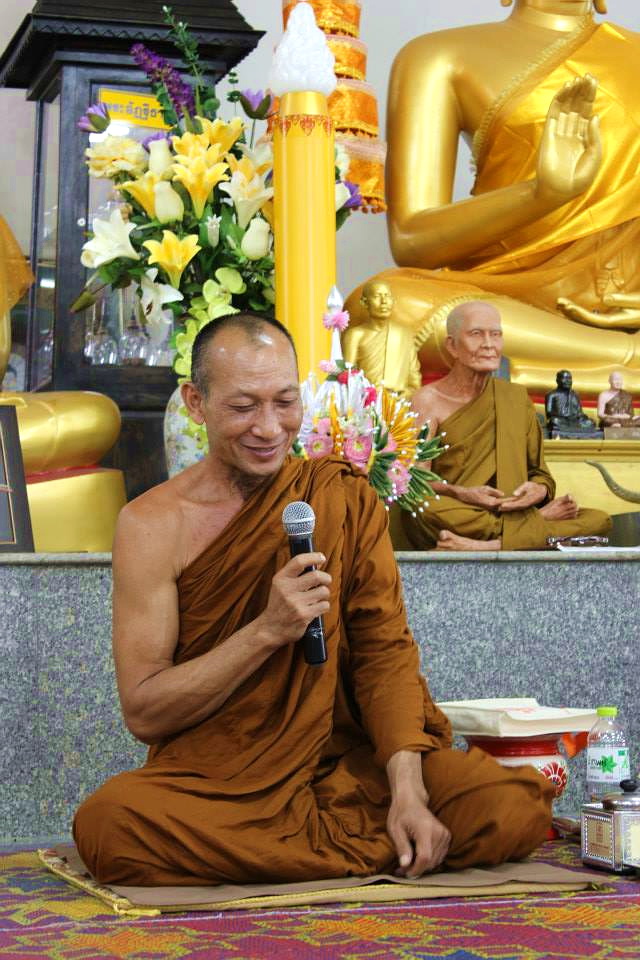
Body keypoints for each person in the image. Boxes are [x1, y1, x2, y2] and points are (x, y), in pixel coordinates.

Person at [73, 311, 553, 886]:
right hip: (221, 778)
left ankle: (330, 845)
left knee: (513, 807)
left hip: (352, 767)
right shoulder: (151, 525)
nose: (269, 428)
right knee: (109, 826)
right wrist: (266, 631)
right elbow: (146, 711)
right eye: (243, 406)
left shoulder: (339, 495)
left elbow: (384, 652)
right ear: (196, 403)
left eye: (284, 402)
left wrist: (407, 791)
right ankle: (365, 852)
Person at [345, 0, 640, 396]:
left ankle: (596, 360)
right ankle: (625, 356)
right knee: (384, 305)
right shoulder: (439, 58)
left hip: (622, 300)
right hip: (503, 304)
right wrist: (540, 195)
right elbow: (411, 240)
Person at [405, 301, 611, 551]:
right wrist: (462, 493)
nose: (489, 344)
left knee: (599, 519)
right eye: (476, 334)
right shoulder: (427, 401)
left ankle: (484, 546)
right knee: (421, 506)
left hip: (509, 511)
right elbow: (414, 480)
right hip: (460, 511)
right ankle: (536, 524)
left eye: (496, 335)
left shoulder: (515, 398)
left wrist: (539, 490)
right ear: (452, 346)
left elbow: (540, 474)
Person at [341, 280, 422, 396]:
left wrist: (406, 395)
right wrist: (368, 396)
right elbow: (348, 377)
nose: (384, 301)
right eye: (377, 296)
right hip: (366, 401)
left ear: (393, 301)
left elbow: (414, 381)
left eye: (387, 296)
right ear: (364, 302)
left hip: (399, 401)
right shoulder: (355, 335)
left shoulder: (404, 335)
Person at [544, 370, 600, 437]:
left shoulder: (575, 395)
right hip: (561, 420)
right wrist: (564, 416)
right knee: (554, 421)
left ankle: (573, 430)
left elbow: (579, 412)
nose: (568, 381)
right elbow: (549, 413)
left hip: (575, 421)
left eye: (569, 378)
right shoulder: (552, 395)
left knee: (590, 422)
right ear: (557, 380)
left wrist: (580, 416)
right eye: (565, 378)